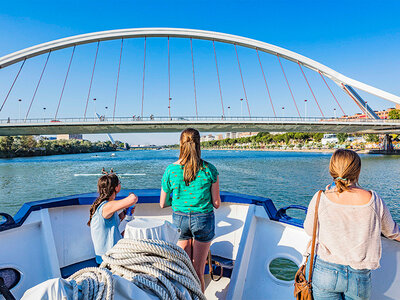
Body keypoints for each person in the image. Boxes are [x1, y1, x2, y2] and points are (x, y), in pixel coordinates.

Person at [304, 149, 400, 300]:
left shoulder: (320, 198)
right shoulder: (374, 200)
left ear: (332, 170)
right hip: (359, 276)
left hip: (325, 271)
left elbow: (310, 230)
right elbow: (392, 232)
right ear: (358, 171)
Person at [160, 128, 221, 292]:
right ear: (199, 144)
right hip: (203, 219)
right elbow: (216, 203)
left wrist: (178, 200)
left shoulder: (170, 170)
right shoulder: (209, 169)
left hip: (180, 220)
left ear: (181, 144)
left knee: (185, 271)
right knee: (198, 272)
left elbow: (162, 203)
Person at [88, 174, 138, 264]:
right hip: (108, 258)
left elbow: (112, 222)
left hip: (110, 254)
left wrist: (125, 212)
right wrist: (131, 194)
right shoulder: (107, 206)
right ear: (116, 188)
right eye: (119, 183)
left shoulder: (106, 205)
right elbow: (133, 199)